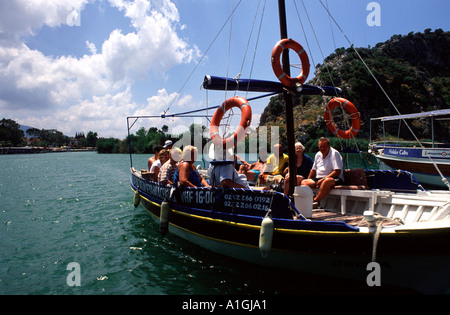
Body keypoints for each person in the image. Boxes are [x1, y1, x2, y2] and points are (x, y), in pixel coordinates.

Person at [302, 137, 344, 208]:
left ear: (328, 146)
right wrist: (309, 179)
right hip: (319, 178)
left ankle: (315, 201)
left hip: (334, 178)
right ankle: (307, 199)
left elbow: (337, 171)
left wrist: (323, 179)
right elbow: (313, 170)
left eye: (324, 147)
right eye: (320, 147)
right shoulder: (318, 154)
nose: (322, 149)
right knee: (304, 182)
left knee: (326, 181)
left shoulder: (334, 153)